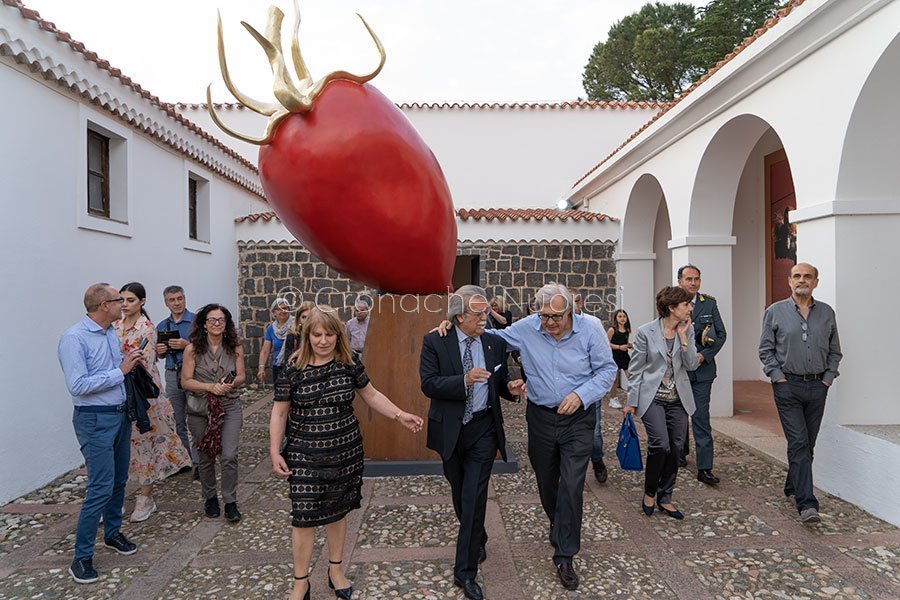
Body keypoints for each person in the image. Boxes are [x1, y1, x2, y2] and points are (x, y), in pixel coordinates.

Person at [437, 282, 616, 591]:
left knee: (572, 484)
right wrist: (452, 324)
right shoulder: (526, 328)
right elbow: (486, 336)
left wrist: (581, 394)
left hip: (578, 418)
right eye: (543, 315)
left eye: (555, 317)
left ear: (571, 311)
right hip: (541, 418)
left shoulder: (591, 329)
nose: (548, 323)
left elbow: (606, 371)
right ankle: (557, 521)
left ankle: (564, 554)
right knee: (547, 481)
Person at [270, 307, 423, 600]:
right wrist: (275, 451)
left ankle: (336, 570)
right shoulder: (292, 368)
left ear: (338, 335)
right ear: (307, 335)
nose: (323, 340)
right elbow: (279, 412)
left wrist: (400, 414)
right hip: (304, 453)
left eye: (329, 334)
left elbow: (372, 395)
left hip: (344, 451)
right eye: (317, 334)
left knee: (336, 513)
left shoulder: (349, 363)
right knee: (302, 517)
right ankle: (300, 582)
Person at [419, 286, 524, 600]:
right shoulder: (434, 340)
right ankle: (476, 535)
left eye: (485, 312)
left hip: (483, 429)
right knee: (459, 491)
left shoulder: (493, 341)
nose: (485, 319)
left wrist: (511, 387)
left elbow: (500, 377)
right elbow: (428, 384)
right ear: (459, 316)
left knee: (474, 495)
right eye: (478, 314)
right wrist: (463, 381)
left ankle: (464, 573)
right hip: (451, 430)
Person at [58, 283, 142, 584]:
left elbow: (113, 371)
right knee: (100, 487)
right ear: (104, 305)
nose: (124, 304)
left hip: (119, 416)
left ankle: (113, 533)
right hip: (94, 420)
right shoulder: (74, 339)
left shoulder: (109, 332)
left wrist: (128, 366)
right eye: (119, 300)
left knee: (119, 480)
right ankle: (81, 558)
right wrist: (120, 371)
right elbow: (78, 385)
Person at [758, 263, 841, 524]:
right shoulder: (775, 312)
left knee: (808, 443)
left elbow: (835, 351)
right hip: (788, 387)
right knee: (799, 442)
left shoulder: (827, 312)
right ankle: (807, 504)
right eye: (797, 276)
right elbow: (765, 350)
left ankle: (792, 487)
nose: (802, 280)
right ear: (789, 282)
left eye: (807, 276)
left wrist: (827, 379)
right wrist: (777, 378)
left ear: (816, 282)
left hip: (818, 387)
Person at [115, 282, 190, 522]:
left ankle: (145, 497)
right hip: (119, 392)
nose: (125, 305)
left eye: (130, 300)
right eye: (122, 300)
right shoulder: (115, 326)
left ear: (142, 302)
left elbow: (143, 364)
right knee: (122, 447)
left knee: (145, 445)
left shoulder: (146, 329)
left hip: (144, 395)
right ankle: (115, 498)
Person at [625, 286, 698, 521]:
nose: (690, 308)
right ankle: (649, 492)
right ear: (671, 308)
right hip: (652, 398)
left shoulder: (688, 330)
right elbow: (635, 370)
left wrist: (684, 341)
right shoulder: (646, 332)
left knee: (676, 448)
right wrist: (631, 401)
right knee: (660, 445)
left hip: (678, 399)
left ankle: (665, 497)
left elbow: (691, 365)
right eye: (686, 305)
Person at [181, 304, 247, 523]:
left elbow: (241, 376)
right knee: (206, 457)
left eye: (221, 320)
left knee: (229, 455)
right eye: (212, 320)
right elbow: (186, 381)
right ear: (204, 324)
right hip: (201, 409)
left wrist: (228, 384)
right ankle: (210, 497)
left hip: (229, 406)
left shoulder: (235, 346)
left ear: (227, 323)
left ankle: (230, 501)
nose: (217, 324)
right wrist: (210, 387)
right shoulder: (192, 349)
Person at [676, 265, 727, 484]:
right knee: (678, 416)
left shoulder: (709, 303)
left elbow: (721, 334)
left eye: (696, 279)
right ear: (680, 281)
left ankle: (704, 467)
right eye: (688, 279)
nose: (693, 283)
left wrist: (703, 356)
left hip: (703, 370)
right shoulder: (671, 302)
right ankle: (680, 453)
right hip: (679, 370)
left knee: (700, 417)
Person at [155, 285, 198, 477]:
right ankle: (184, 460)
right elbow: (157, 355)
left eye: (179, 298)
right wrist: (160, 352)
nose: (177, 303)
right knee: (176, 420)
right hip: (172, 374)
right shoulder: (162, 326)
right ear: (166, 303)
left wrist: (186, 345)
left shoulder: (197, 321)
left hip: (194, 373)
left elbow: (207, 349)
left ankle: (199, 463)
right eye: (172, 300)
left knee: (197, 418)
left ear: (185, 298)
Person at [572, 291, 611, 485]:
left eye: (576, 301)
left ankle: (597, 459)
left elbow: (604, 352)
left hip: (590, 388)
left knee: (594, 434)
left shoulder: (593, 323)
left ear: (582, 303)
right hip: (567, 390)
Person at [257, 297, 292, 384]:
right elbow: (265, 351)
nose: (282, 311)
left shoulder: (296, 324)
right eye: (278, 309)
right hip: (278, 366)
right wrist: (261, 368)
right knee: (279, 395)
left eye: (285, 308)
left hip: (294, 366)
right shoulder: (271, 328)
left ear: (289, 310)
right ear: (274, 313)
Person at [607, 309, 632, 410]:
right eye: (620, 316)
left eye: (624, 316)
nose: (622, 318)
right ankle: (613, 399)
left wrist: (628, 345)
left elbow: (624, 342)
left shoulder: (627, 330)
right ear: (616, 318)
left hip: (624, 356)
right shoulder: (612, 330)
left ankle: (633, 398)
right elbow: (606, 344)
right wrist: (619, 347)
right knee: (615, 380)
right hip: (614, 356)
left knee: (631, 376)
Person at [282, 300, 315, 365]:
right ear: (298, 319)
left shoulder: (321, 335)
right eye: (304, 317)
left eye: (310, 317)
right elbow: (287, 360)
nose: (307, 321)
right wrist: (297, 354)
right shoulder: (292, 336)